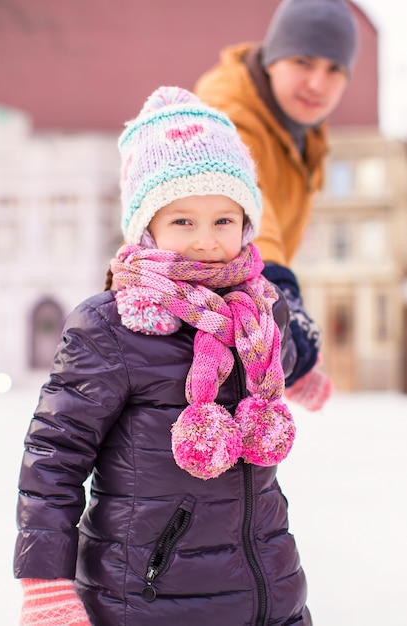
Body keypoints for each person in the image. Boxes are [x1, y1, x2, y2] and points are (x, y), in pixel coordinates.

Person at [14, 86, 313, 625]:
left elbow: (288, 365)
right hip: (148, 601)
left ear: (246, 223)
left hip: (271, 592)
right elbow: (54, 460)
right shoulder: (110, 325)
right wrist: (45, 585)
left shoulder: (262, 314)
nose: (205, 240)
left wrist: (306, 359)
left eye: (223, 220)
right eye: (182, 221)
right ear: (146, 227)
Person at [195, 0, 358, 395]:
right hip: (194, 313)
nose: (318, 83)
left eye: (334, 68)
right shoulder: (230, 115)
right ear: (272, 58)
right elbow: (252, 211)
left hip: (234, 313)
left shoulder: (304, 130)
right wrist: (281, 302)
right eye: (303, 61)